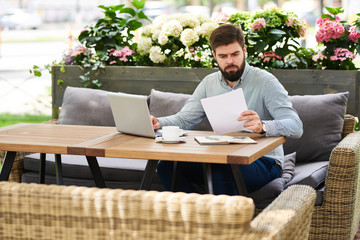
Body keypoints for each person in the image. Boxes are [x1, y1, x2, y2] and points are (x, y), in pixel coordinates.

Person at [151, 24, 303, 195]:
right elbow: (185, 119)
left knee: (221, 169)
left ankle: (217, 218)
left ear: (244, 50)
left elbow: (296, 126)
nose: (230, 61)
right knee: (166, 166)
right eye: (223, 56)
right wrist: (158, 122)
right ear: (214, 56)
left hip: (264, 161)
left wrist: (263, 126)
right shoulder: (209, 83)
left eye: (235, 54)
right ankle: (196, 211)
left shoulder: (265, 81)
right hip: (222, 157)